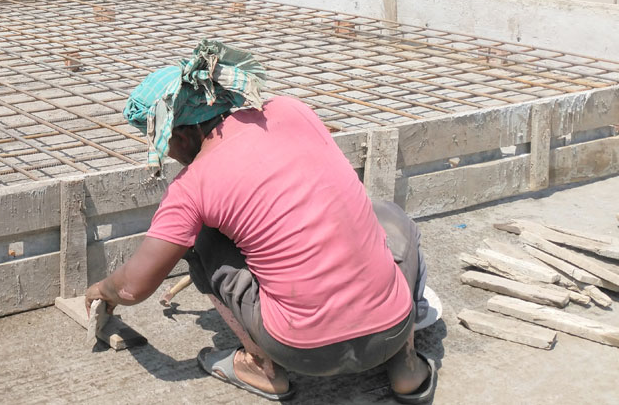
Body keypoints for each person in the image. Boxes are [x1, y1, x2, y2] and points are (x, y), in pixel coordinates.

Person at [85, 39, 437, 404]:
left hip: (302, 352)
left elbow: (135, 287)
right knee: (387, 215)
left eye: (164, 144)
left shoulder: (192, 187)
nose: (170, 155)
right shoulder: (290, 110)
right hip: (391, 332)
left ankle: (261, 366)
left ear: (182, 135)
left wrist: (103, 290)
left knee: (201, 240)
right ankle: (407, 367)